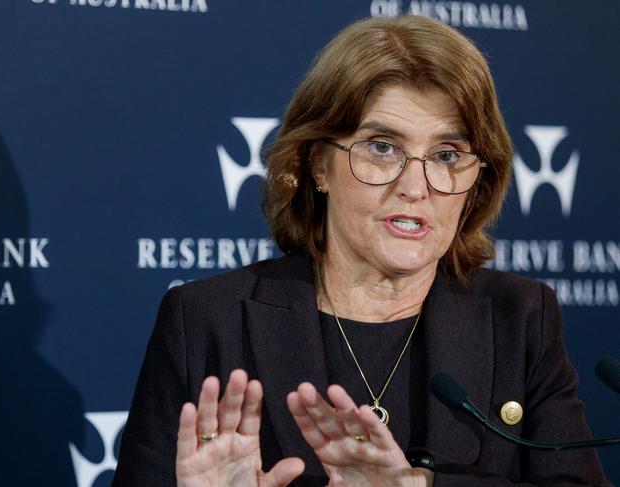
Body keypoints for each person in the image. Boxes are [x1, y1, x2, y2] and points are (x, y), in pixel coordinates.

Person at [113, 15, 611, 487]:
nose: (416, 187)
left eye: (446, 156)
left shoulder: (520, 318)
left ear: (479, 178)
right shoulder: (206, 321)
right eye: (381, 147)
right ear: (317, 165)